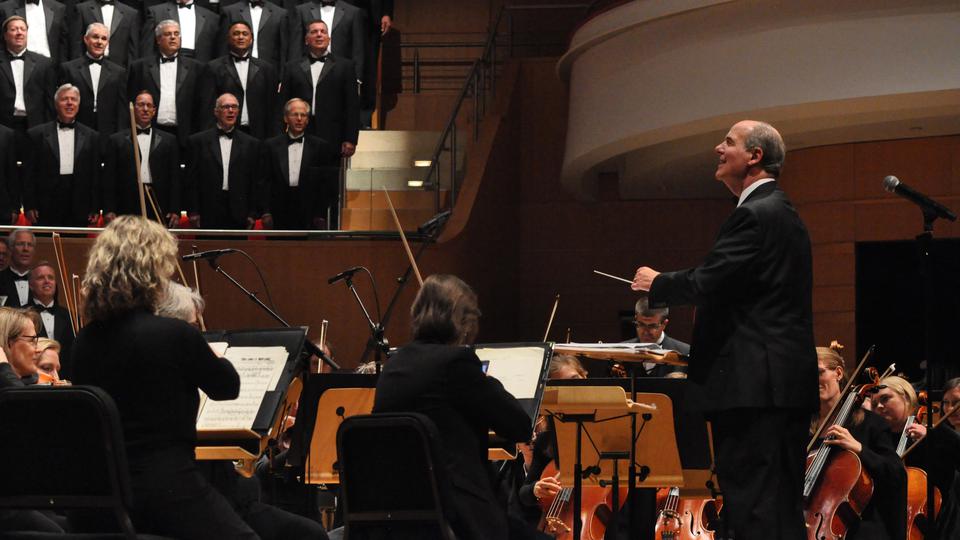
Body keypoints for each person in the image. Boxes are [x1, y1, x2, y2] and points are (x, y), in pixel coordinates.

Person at [631, 120, 817, 539]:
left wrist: (657, 283)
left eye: (728, 142)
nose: (718, 149)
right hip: (776, 386)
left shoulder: (755, 214)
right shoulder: (780, 211)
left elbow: (710, 280)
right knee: (776, 509)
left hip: (755, 388)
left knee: (753, 510)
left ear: (755, 156)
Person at [71, 216, 258, 539]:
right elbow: (227, 387)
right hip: (168, 486)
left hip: (104, 493)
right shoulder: (173, 334)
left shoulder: (84, 341)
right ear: (151, 273)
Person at [373, 274, 532, 540]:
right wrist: (485, 379)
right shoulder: (456, 363)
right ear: (464, 322)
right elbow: (519, 426)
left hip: (400, 516)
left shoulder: (394, 366)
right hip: (458, 516)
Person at [810, 346, 906, 539]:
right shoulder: (802, 429)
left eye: (819, 372)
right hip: (811, 523)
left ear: (838, 373)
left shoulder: (871, 424)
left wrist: (858, 448)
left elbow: (896, 474)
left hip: (860, 527)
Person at [873, 375, 960, 537]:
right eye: (874, 403)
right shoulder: (878, 442)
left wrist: (933, 437)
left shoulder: (933, 436)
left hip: (937, 527)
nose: (878, 406)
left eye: (885, 399)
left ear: (906, 397)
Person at [185, 92, 269, 229]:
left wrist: (252, 213)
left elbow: (255, 181)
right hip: (207, 211)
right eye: (226, 107)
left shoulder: (251, 144)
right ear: (216, 112)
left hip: (240, 212)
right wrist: (193, 211)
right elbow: (191, 180)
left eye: (234, 107)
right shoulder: (197, 141)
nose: (231, 110)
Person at [127, 20, 214, 149]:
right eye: (168, 34)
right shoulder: (139, 67)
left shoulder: (197, 68)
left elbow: (204, 106)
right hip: (151, 130)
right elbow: (130, 102)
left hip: (185, 134)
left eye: (176, 34)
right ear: (158, 39)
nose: (173, 37)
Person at [22, 83, 100, 226]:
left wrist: (95, 207)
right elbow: (29, 174)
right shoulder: (36, 134)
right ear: (56, 104)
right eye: (64, 99)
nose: (70, 103)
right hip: (45, 206)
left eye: (73, 99)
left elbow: (95, 175)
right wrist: (29, 205)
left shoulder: (92, 136)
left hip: (79, 206)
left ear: (78, 104)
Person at [279, 19, 358, 159]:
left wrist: (351, 139)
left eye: (323, 31)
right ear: (306, 40)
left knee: (329, 172)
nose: (319, 35)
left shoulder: (345, 67)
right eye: (314, 32)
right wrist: (280, 135)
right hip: (300, 131)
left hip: (333, 134)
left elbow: (352, 105)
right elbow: (283, 102)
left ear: (329, 39)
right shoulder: (292, 67)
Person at [102, 90, 182, 222]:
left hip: (158, 200)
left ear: (154, 111)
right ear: (133, 109)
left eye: (149, 105)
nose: (145, 109)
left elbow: (174, 178)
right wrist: (109, 209)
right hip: (126, 202)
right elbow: (109, 178)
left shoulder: (169, 140)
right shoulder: (116, 140)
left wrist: (175, 209)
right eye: (141, 105)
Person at [264, 98, 339, 229]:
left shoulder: (320, 146)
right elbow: (265, 181)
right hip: (278, 211)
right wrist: (266, 211)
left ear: (307, 120)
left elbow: (325, 184)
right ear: (286, 118)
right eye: (295, 114)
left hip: (308, 213)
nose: (299, 119)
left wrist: (320, 213)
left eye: (303, 115)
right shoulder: (271, 145)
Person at [207, 20, 279, 140]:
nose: (241, 37)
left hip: (259, 133)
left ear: (251, 39)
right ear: (228, 39)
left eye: (245, 34)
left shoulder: (266, 69)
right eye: (236, 34)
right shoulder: (214, 68)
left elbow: (273, 108)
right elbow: (208, 107)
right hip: (224, 132)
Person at [58, 23, 127, 135]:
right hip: (78, 129)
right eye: (95, 37)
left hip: (108, 131)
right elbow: (63, 104)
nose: (99, 42)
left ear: (107, 43)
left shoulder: (119, 72)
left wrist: (120, 136)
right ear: (86, 39)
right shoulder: (69, 69)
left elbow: (121, 109)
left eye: (104, 39)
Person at [289, 0, 364, 85]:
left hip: (341, 72)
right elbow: (296, 46)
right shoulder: (302, 10)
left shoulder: (353, 12)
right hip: (308, 70)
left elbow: (358, 48)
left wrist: (357, 76)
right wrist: (292, 74)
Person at [26, 261, 74, 378]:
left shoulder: (70, 316)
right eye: (41, 278)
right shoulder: (23, 315)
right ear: (31, 285)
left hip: (66, 378)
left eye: (50, 277)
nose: (47, 281)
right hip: (34, 377)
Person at [622, 295, 688, 378]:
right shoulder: (620, 351)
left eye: (652, 326)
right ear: (636, 319)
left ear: (664, 324)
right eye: (641, 324)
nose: (646, 332)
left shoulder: (685, 353)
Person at [217, 0, 287, 69]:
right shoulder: (230, 12)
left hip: (269, 70)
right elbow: (223, 47)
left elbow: (283, 49)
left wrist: (282, 74)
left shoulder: (280, 13)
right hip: (235, 67)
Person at [142, 0, 219, 62]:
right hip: (165, 64)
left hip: (201, 68)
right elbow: (147, 48)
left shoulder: (212, 17)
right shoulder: (156, 12)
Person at [69, 0, 140, 67]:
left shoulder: (130, 13)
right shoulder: (83, 9)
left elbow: (133, 50)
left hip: (120, 69)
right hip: (87, 67)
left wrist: (130, 74)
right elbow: (76, 45)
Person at [0, 0, 67, 64]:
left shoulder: (58, 8)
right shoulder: (6, 9)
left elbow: (63, 43)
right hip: (20, 64)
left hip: (51, 66)